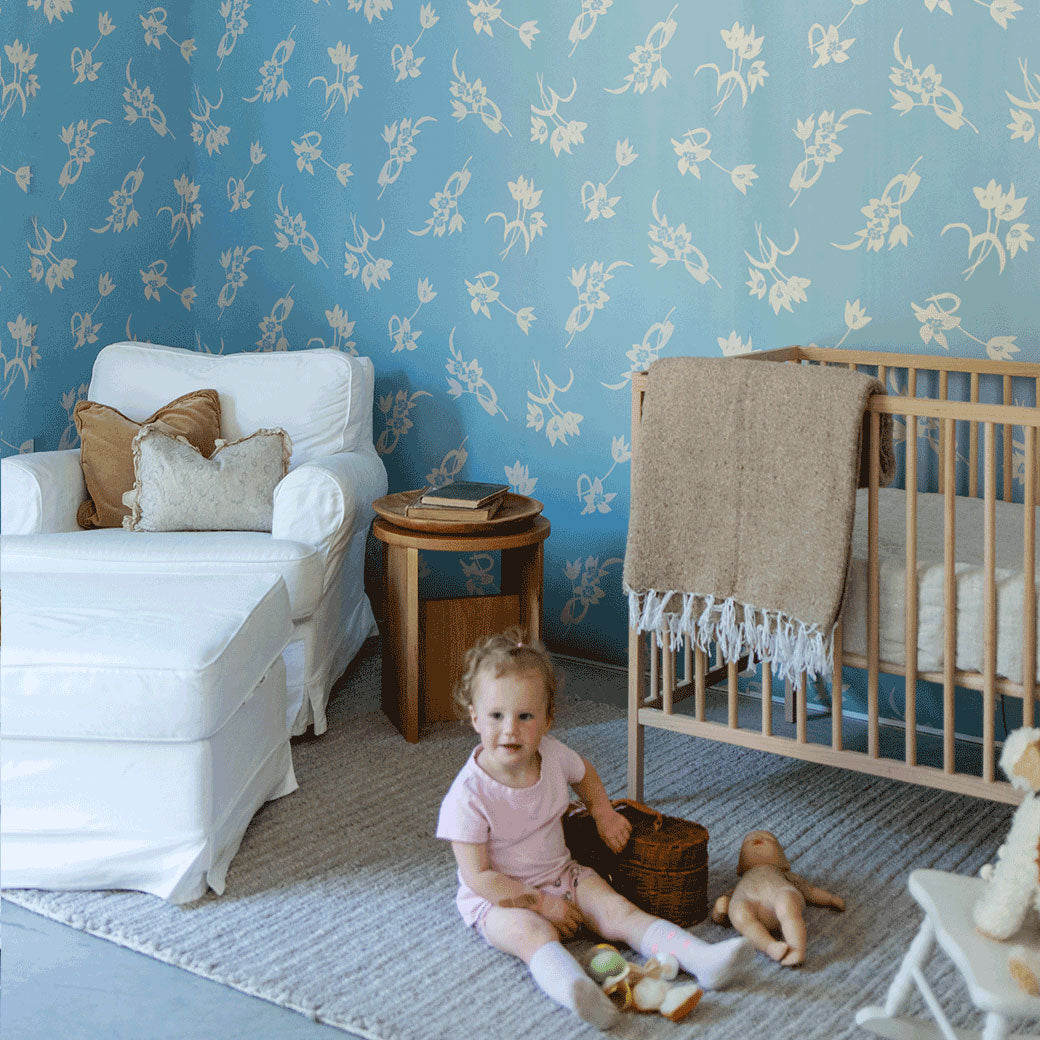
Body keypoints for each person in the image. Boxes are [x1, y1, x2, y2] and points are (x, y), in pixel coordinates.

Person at [436, 628, 751, 1030]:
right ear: (474, 717)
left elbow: (584, 774)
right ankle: (577, 991)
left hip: (562, 873)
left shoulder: (550, 755)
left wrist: (602, 812)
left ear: (547, 719)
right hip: (501, 898)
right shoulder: (467, 796)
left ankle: (702, 960)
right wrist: (541, 904)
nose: (510, 729)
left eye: (525, 716)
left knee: (619, 910)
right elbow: (478, 877)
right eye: (496, 716)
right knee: (532, 935)